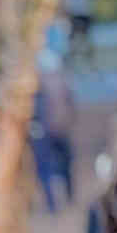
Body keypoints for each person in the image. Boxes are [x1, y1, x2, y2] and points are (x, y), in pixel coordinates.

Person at [30, 51, 77, 213]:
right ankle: (68, 198)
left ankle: (54, 205)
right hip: (60, 129)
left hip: (48, 132)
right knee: (64, 166)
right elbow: (71, 105)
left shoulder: (40, 86)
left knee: (46, 170)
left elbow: (37, 111)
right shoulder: (62, 82)